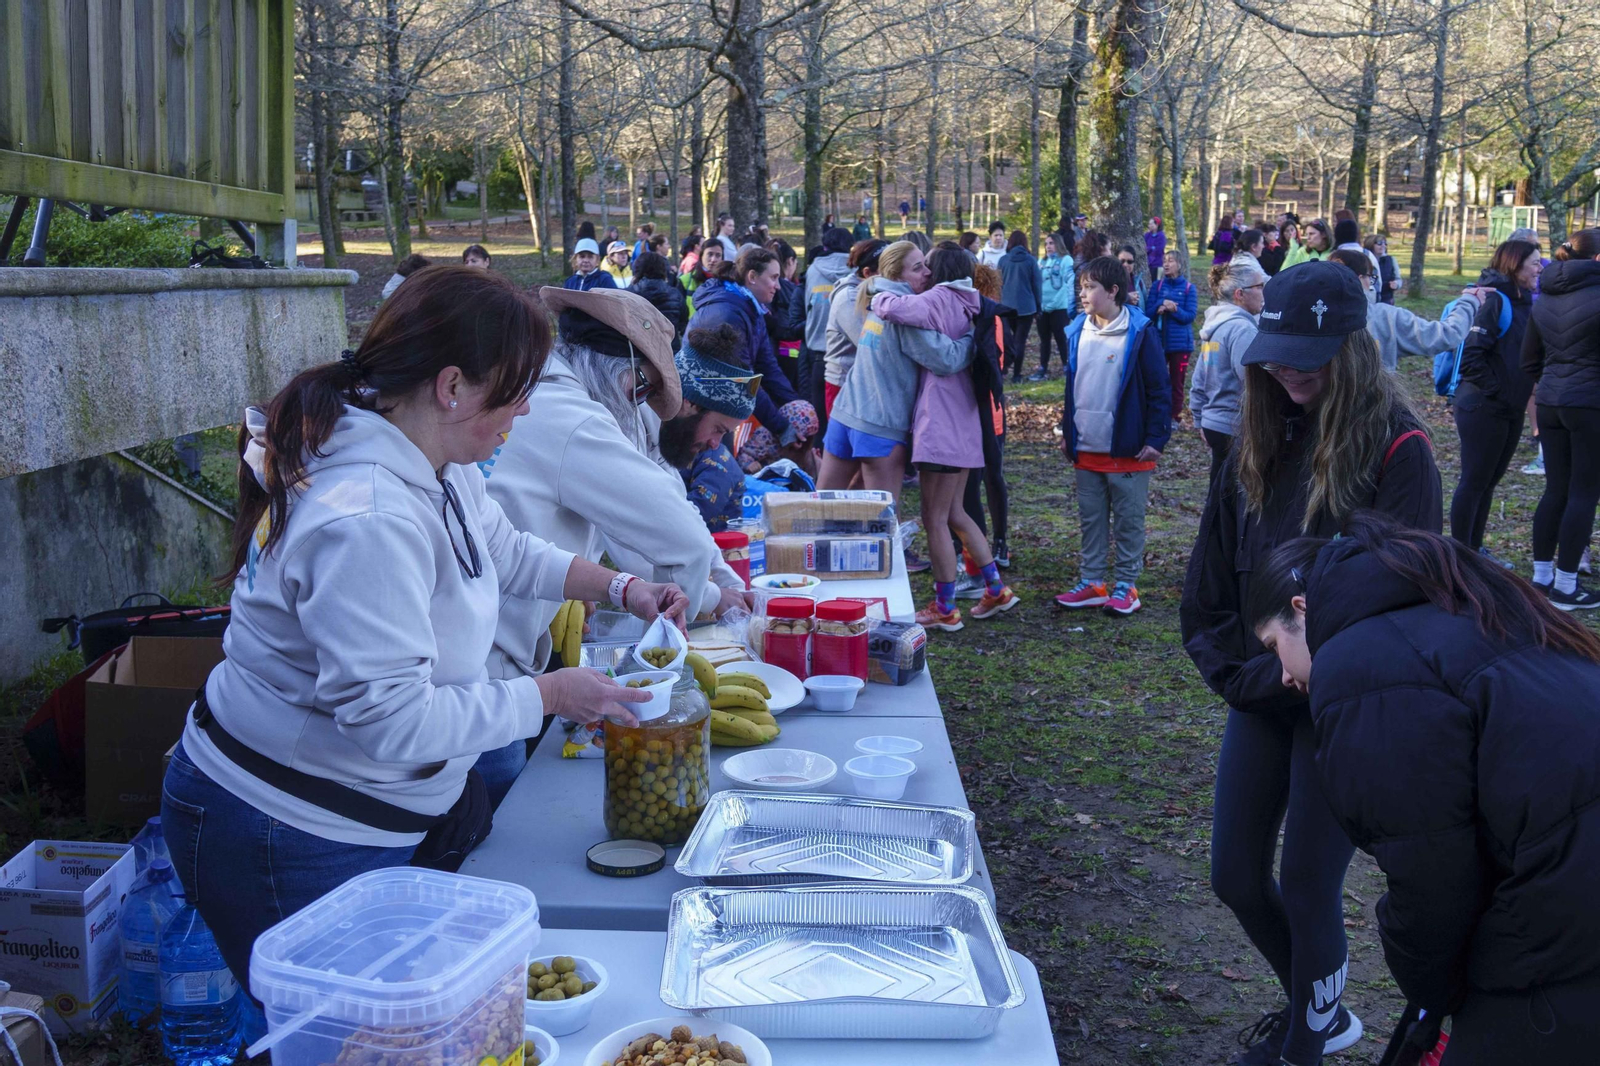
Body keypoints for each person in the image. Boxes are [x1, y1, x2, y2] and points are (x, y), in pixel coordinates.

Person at [161, 267, 688, 991]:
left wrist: (621, 587)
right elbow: (391, 722)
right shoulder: (368, 516)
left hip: (359, 812)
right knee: (331, 1033)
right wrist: (549, 696)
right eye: (518, 389)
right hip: (285, 830)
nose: (527, 410)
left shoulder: (431, 455)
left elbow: (501, 550)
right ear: (452, 386)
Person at [1180, 260, 1442, 1066]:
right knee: (1234, 876)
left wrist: (1315, 669)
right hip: (1264, 693)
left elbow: (1406, 604)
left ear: (1354, 348)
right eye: (1280, 350)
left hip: (1344, 708)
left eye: (1313, 352)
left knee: (1308, 883)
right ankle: (1318, 1008)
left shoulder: (1401, 454)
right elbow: (1211, 588)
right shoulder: (1258, 439)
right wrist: (1261, 672)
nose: (1292, 367)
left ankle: (1306, 1044)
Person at [1246, 512, 1600, 1063]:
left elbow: (1431, 874)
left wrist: (1435, 993)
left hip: (1570, 892)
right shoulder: (1460, 606)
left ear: (1301, 610)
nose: (1286, 678)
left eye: (1273, 648)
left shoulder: (1359, 669)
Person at [480, 293, 753, 802]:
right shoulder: (575, 420)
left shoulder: (548, 396)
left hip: (486, 649)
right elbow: (682, 541)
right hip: (486, 666)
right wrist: (677, 640)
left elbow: (521, 548)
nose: (642, 404)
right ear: (624, 370)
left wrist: (626, 588)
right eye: (643, 388)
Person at [868, 247, 1017, 630]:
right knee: (956, 513)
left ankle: (944, 607)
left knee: (934, 518)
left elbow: (893, 310)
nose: (925, 271)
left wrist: (876, 291)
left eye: (928, 265)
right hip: (967, 426)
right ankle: (996, 590)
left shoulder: (938, 299)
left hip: (940, 427)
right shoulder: (973, 302)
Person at [1053, 256, 1172, 616]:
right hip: (1086, 447)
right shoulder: (1076, 329)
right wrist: (1067, 430)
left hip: (1128, 449)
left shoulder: (1140, 332)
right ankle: (1092, 582)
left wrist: (1156, 437)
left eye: (1090, 287)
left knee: (1128, 520)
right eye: (1082, 286)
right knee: (1091, 519)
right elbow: (1073, 386)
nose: (1083, 293)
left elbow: (1159, 389)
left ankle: (1126, 586)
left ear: (1114, 291)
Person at [819, 240, 974, 507]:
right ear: (897, 275)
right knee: (881, 524)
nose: (927, 272)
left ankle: (807, 550)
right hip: (880, 426)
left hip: (844, 417)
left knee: (818, 509)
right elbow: (946, 359)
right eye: (918, 268)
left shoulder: (874, 298)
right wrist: (973, 336)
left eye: (925, 264)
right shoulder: (905, 313)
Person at [1446, 240, 1539, 566]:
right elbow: (1471, 355)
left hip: (1509, 409)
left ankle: (1474, 551)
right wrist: (1497, 393)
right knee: (1473, 481)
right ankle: (1459, 556)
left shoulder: (1525, 300)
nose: (1539, 269)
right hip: (1483, 407)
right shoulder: (1494, 301)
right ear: (1515, 265)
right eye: (1534, 263)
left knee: (1488, 483)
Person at [1523, 228, 1600, 608]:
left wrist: (1555, 383)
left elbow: (1529, 359)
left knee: (1556, 489)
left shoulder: (1545, 297)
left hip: (1552, 401)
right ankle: (1567, 586)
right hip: (1589, 406)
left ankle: (1541, 578)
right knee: (1584, 492)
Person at [688, 246, 809, 453]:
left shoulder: (750, 309)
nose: (778, 286)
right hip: (701, 416)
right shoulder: (728, 315)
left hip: (718, 410)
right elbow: (744, 381)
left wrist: (796, 405)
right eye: (773, 278)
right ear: (752, 276)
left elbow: (768, 368)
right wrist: (782, 427)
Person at [1325, 250, 1482, 374]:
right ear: (1359, 280)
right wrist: (1469, 301)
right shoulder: (1385, 317)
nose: (1371, 284)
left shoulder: (1310, 315)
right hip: (1371, 410)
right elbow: (1445, 336)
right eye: (1370, 277)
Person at [961, 259, 1014, 573]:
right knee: (979, 478)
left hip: (988, 406)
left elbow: (999, 362)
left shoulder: (990, 316)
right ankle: (982, 545)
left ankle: (997, 542)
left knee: (988, 475)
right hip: (982, 405)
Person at [1190, 258, 1263, 483]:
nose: (1264, 293)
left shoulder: (1215, 326)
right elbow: (1254, 381)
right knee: (1231, 498)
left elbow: (1199, 378)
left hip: (1215, 423)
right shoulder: (1241, 330)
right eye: (1259, 287)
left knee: (1218, 493)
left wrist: (1200, 417)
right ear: (1240, 294)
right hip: (1233, 426)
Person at [823, 238, 887, 415]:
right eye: (887, 271)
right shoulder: (848, 298)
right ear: (867, 273)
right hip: (842, 385)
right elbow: (870, 343)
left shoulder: (877, 291)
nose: (894, 275)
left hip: (864, 382)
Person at [803, 228, 858, 427]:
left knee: (821, 423)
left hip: (817, 350)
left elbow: (806, 304)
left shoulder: (813, 269)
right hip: (847, 355)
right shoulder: (856, 270)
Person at [1150, 248, 1200, 420]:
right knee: (1157, 380)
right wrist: (1160, 304)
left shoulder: (1188, 289)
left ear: (1180, 264)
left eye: (1170, 260)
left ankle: (1175, 416)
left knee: (1177, 382)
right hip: (1159, 342)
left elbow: (1190, 316)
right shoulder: (1157, 286)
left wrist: (1174, 309)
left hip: (1181, 345)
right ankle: (1158, 413)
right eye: (1164, 260)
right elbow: (1148, 312)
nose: (1166, 264)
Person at [999, 231, 1043, 382]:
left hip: (1006, 306)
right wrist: (1038, 306)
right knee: (1020, 341)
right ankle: (1016, 375)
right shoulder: (1031, 261)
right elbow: (1036, 285)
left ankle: (1003, 369)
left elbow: (999, 284)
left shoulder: (1003, 261)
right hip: (1026, 307)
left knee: (1007, 340)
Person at [1032, 232, 1076, 381]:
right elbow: (1037, 283)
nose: (1048, 246)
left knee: (1061, 338)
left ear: (1058, 244)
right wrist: (1040, 304)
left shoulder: (1066, 260)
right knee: (1044, 339)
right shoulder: (1042, 261)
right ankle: (1043, 367)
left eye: (1051, 243)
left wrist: (1053, 304)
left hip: (1059, 307)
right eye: (1046, 244)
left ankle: (1066, 366)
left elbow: (1066, 285)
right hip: (1043, 308)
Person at [766, 238, 808, 392]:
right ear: (790, 261)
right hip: (790, 350)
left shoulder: (772, 288)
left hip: (775, 349)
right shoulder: (790, 289)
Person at [627, 250, 689, 348]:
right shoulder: (675, 295)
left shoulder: (627, 295)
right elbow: (684, 324)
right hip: (669, 352)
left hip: (637, 354)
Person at [680, 239, 724, 314]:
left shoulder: (727, 283)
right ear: (701, 255)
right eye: (710, 254)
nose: (713, 259)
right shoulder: (685, 280)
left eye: (718, 255)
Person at [1363, 234, 1399, 303]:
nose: (1383, 245)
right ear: (1370, 244)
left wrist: (1396, 284)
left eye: (1385, 243)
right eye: (1379, 243)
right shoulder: (1364, 260)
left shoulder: (1391, 260)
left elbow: (1398, 279)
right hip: (1368, 300)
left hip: (1386, 300)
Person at [1117, 244, 1149, 309]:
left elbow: (1146, 304)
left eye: (1129, 261)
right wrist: (1126, 298)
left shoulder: (1139, 281)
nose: (1125, 264)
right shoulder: (1110, 281)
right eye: (1122, 261)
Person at [1145, 217, 1167, 282]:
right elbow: (1143, 248)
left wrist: (1149, 249)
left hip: (1157, 264)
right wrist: (1152, 248)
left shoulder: (1161, 236)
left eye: (1151, 224)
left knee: (1156, 282)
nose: (1149, 226)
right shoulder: (1147, 235)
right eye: (1149, 224)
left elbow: (1159, 249)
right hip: (1148, 263)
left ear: (1156, 225)